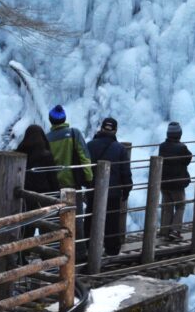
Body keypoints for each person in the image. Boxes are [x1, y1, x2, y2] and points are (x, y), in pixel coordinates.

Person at [86, 117, 133, 255]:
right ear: (115, 130)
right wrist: (127, 189)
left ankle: (89, 246)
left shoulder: (90, 145)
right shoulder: (120, 149)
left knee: (91, 217)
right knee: (112, 220)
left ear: (101, 128)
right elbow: (125, 171)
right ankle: (112, 249)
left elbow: (85, 168)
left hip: (94, 189)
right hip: (113, 191)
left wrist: (87, 185)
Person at [16, 125, 60, 243]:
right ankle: (46, 253)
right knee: (45, 225)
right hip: (44, 195)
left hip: (25, 195)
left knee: (26, 225)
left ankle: (23, 253)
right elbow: (52, 176)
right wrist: (57, 193)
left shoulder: (19, 153)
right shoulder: (46, 155)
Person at [158, 121, 193, 242]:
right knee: (180, 205)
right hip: (177, 183)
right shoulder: (182, 148)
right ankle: (175, 231)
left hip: (164, 182)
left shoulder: (162, 146)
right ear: (179, 134)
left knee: (167, 207)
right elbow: (188, 158)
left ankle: (164, 231)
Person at [46, 105, 93, 190]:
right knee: (73, 203)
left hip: (54, 184)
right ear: (64, 118)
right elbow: (84, 157)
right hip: (73, 182)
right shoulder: (74, 133)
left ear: (50, 120)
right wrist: (89, 178)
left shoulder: (47, 138)